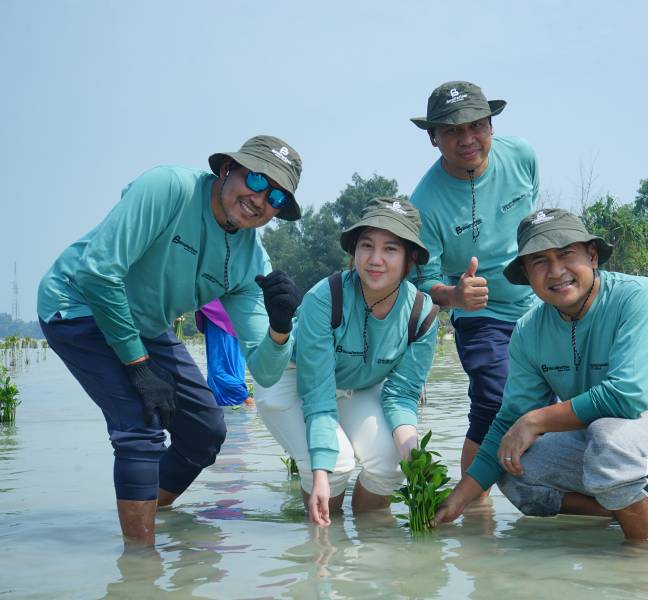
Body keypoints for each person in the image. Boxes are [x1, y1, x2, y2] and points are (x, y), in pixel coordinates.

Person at [37, 135, 304, 545]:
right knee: (141, 427)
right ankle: (141, 566)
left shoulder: (253, 261)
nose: (260, 199)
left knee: (206, 430)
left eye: (276, 198)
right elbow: (97, 273)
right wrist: (138, 366)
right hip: (77, 305)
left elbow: (265, 371)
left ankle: (144, 517)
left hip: (146, 324)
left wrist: (280, 326)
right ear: (227, 169)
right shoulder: (168, 188)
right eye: (256, 179)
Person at [435, 208, 648, 542]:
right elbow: (508, 421)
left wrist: (535, 421)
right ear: (527, 276)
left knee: (609, 437)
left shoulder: (638, 297)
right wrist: (457, 501)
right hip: (614, 445)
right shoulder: (529, 331)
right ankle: (627, 508)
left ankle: (645, 562)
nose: (556, 271)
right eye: (539, 262)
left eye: (565, 254)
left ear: (592, 256)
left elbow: (626, 395)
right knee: (513, 463)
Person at [256, 197, 439, 526]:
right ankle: (325, 541)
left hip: (357, 385)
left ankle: (372, 543)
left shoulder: (422, 314)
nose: (375, 259)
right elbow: (318, 394)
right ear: (353, 250)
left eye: (391, 249)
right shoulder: (324, 298)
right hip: (295, 381)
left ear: (411, 259)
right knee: (335, 464)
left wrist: (414, 457)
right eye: (366, 245)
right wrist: (320, 475)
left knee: (392, 464)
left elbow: (401, 394)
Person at [409, 80, 540, 480]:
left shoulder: (522, 155)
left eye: (476, 126)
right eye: (451, 130)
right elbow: (424, 280)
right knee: (493, 402)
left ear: (491, 126)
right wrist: (454, 295)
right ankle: (474, 510)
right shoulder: (424, 204)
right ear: (433, 138)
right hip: (480, 316)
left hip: (539, 306)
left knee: (554, 397)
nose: (467, 139)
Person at [195, 299, 253, 407]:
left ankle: (247, 399)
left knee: (219, 370)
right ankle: (243, 404)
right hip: (229, 312)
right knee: (231, 369)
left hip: (218, 312)